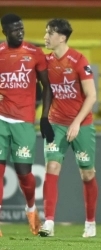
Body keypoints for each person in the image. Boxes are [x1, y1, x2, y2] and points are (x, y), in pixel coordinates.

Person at [38, 18, 98, 238]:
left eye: (49, 33)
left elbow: (91, 96)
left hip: (81, 124)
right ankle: (49, 223)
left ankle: (90, 223)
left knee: (87, 173)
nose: (45, 36)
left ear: (61, 37)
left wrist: (76, 123)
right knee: (52, 167)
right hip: (56, 123)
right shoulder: (44, 61)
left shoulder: (79, 60)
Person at [0, 13, 54, 236]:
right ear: (5, 32)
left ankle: (31, 209)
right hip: (1, 120)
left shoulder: (34, 53)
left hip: (24, 122)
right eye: (14, 29)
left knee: (25, 175)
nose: (19, 32)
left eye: (21, 28)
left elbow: (47, 87)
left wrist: (44, 118)